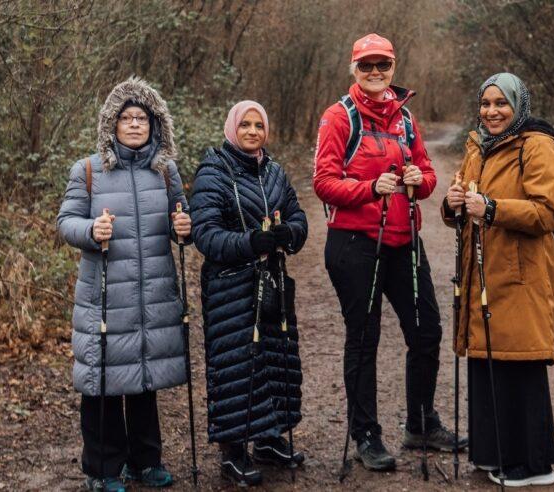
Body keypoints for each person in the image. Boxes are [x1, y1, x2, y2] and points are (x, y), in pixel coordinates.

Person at [313, 33, 468, 472]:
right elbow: (323, 182)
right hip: (354, 243)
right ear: (354, 70)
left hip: (403, 239)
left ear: (394, 68)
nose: (375, 73)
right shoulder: (338, 118)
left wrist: (420, 178)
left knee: (427, 331)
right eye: (367, 66)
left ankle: (420, 424)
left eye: (383, 65)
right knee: (364, 340)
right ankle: (366, 434)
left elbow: (429, 176)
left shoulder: (406, 119)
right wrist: (367, 189)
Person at [57, 77, 192, 492]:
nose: (135, 124)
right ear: (111, 125)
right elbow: (66, 222)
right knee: (101, 382)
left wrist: (184, 227)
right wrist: (91, 229)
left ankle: (145, 462)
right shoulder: (88, 171)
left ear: (155, 125)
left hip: (152, 293)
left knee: (144, 378)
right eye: (126, 118)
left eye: (142, 118)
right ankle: (102, 469)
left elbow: (181, 222)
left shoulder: (166, 171)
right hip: (104, 297)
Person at [442, 72, 554, 487]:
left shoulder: (537, 145)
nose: (492, 112)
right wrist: (453, 203)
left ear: (519, 105)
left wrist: (493, 208)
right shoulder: (479, 145)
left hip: (520, 275)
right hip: (481, 273)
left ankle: (531, 465)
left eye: (501, 104)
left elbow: (548, 213)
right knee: (487, 360)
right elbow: (465, 200)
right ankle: (491, 453)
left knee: (519, 362)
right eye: (486, 103)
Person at [189, 101, 308, 487]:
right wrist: (249, 241)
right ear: (232, 128)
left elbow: (297, 217)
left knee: (276, 359)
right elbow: (204, 234)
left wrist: (288, 235)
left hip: (271, 281)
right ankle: (233, 450)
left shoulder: (273, 171)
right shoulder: (214, 172)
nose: (253, 131)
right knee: (237, 367)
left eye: (259, 125)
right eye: (246, 125)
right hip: (229, 287)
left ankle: (269, 440)